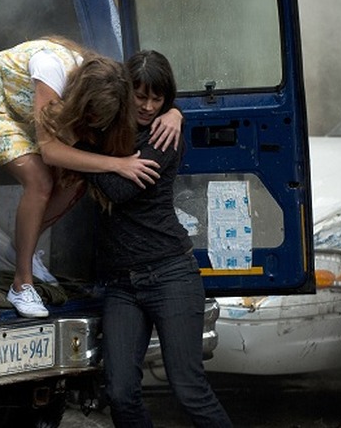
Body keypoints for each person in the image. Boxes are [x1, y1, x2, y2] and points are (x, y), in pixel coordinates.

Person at [0, 38, 182, 318]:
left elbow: (150, 92)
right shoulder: (50, 70)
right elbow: (50, 152)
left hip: (25, 114)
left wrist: (175, 113)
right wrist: (117, 164)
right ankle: (21, 285)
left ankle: (21, 249)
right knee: (40, 180)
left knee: (78, 180)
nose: (148, 105)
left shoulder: (110, 78)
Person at [84, 50, 233, 427]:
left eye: (159, 99)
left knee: (189, 389)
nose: (150, 106)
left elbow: (118, 189)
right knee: (119, 392)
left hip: (170, 275)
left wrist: (78, 154)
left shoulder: (164, 135)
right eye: (141, 96)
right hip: (122, 285)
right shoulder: (108, 127)